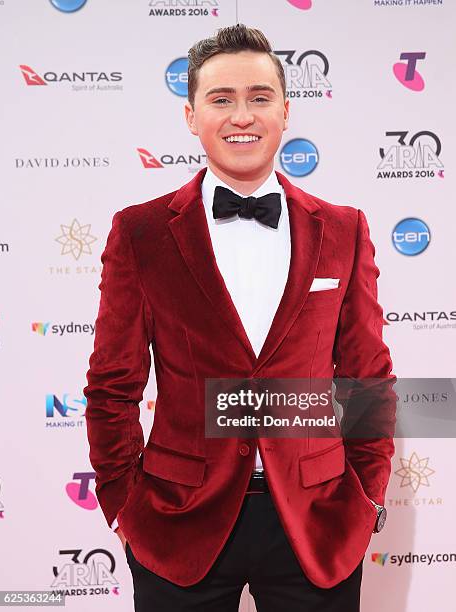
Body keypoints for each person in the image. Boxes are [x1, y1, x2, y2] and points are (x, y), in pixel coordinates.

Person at [84, 23, 395, 612]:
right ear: (191, 116)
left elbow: (368, 378)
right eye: (221, 100)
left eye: (258, 98)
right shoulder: (141, 232)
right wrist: (123, 505)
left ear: (285, 110)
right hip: (178, 521)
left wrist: (368, 497)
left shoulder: (344, 229)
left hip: (317, 519)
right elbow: (112, 385)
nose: (241, 116)